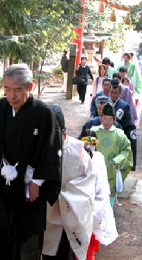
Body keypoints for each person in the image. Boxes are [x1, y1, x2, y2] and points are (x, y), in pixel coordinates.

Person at [0, 64, 61, 260]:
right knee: (1, 234)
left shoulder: (43, 112)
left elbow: (51, 148)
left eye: (17, 90)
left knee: (27, 239)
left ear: (29, 87)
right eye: (7, 89)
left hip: (28, 187)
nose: (11, 96)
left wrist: (37, 182)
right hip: (2, 184)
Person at [42, 104, 96, 260]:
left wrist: (61, 196)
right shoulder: (39, 150)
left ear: (64, 133)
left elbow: (87, 188)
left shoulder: (79, 152)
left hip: (70, 224)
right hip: (45, 222)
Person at [91, 104, 133, 206]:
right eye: (104, 118)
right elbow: (86, 148)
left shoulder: (119, 135)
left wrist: (118, 159)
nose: (106, 122)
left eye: (109, 119)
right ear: (100, 117)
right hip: (95, 169)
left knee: (109, 196)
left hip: (111, 169)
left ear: (114, 120)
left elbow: (127, 150)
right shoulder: (93, 132)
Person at [109, 80, 138, 171]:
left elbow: (127, 122)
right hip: (107, 127)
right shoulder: (105, 103)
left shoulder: (124, 105)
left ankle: (132, 162)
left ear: (120, 93)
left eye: (116, 93)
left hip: (123, 128)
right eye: (112, 92)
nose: (113, 95)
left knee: (133, 135)